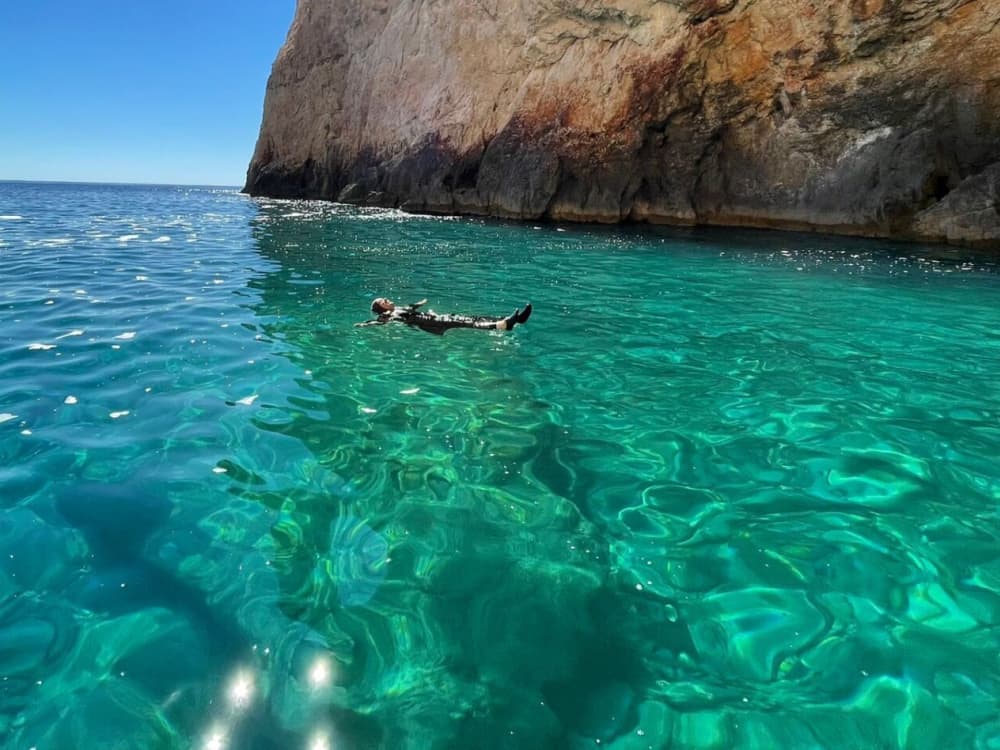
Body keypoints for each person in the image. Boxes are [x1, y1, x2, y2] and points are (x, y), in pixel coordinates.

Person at [356, 298, 532, 335]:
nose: (388, 300)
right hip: (431, 324)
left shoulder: (399, 308)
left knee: (469, 318)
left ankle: (514, 320)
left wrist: (420, 304)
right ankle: (502, 325)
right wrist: (365, 324)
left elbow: (411, 307)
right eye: (384, 301)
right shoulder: (388, 314)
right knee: (464, 323)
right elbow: (379, 322)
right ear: (382, 308)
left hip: (435, 318)